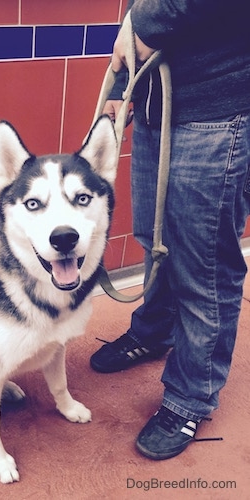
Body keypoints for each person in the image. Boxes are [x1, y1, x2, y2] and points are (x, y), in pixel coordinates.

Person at [90, 0, 250, 460]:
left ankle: (190, 398)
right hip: (158, 103)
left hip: (219, 110)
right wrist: (123, 80)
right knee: (155, 240)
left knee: (204, 267)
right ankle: (156, 331)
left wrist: (148, 22)